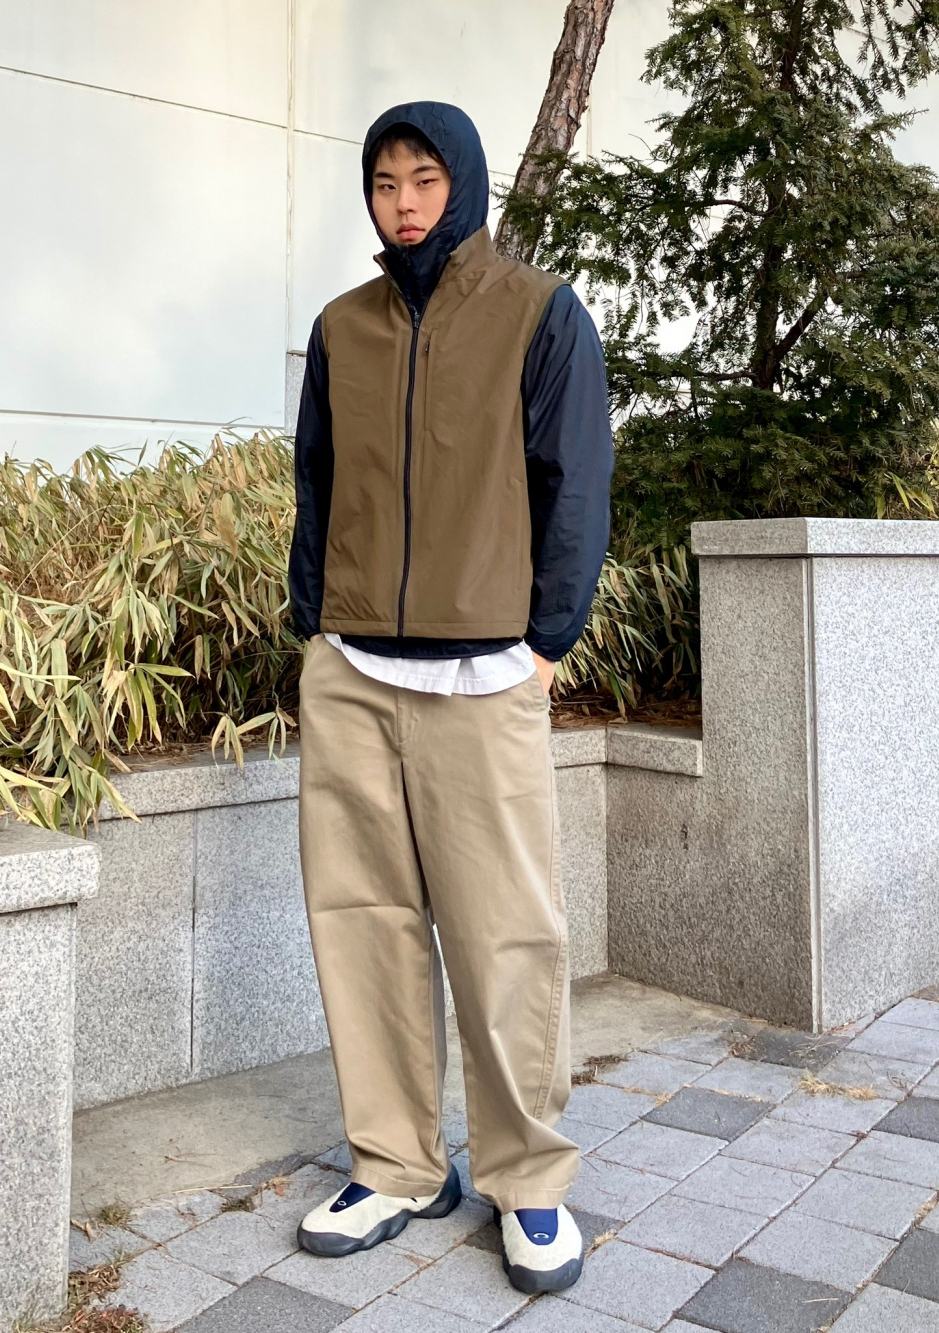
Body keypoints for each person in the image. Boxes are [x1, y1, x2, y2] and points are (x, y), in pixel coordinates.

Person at [288, 100, 613, 1294]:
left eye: (425, 178)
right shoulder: (343, 327)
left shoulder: (538, 312)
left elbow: (574, 481)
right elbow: (317, 478)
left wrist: (544, 644)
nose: (405, 202)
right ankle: (397, 1163)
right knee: (361, 923)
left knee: (505, 935)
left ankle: (527, 1181)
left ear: (463, 184)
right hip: (356, 673)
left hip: (486, 678)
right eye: (385, 183)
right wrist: (315, 620)